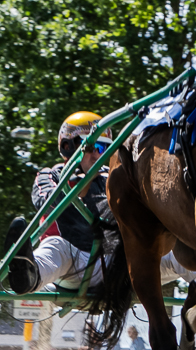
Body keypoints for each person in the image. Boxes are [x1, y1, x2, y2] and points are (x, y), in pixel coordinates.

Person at [10, 111, 121, 294]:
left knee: (169, 250)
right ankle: (28, 275)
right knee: (56, 245)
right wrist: (76, 188)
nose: (96, 156)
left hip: (116, 265)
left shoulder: (112, 177)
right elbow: (46, 201)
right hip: (70, 266)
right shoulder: (49, 175)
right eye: (91, 147)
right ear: (68, 146)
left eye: (102, 149)